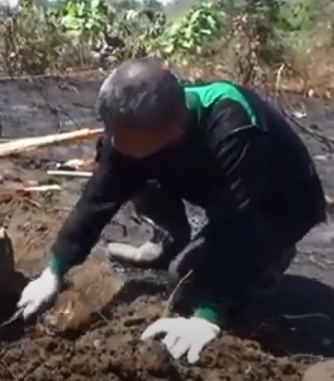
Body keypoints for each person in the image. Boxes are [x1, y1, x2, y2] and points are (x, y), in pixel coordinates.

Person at [17, 57, 326, 364]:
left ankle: (272, 256)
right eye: (114, 135)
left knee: (185, 275)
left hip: (280, 204)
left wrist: (208, 315)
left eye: (126, 140)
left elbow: (235, 221)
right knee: (132, 173)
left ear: (173, 129)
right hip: (215, 183)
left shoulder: (236, 128)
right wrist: (54, 270)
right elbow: (97, 197)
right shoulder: (137, 126)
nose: (115, 144)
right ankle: (167, 242)